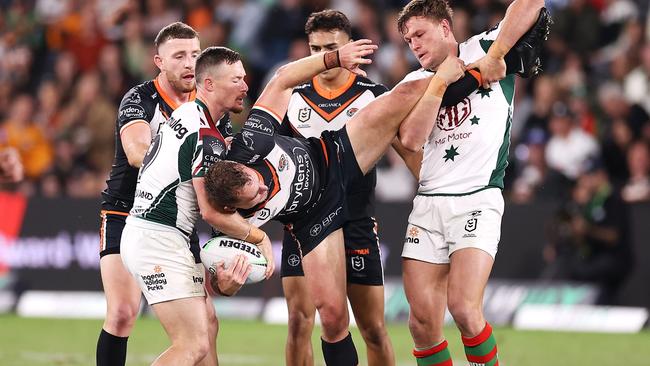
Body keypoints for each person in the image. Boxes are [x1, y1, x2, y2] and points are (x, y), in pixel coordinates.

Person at [204, 38, 477, 364]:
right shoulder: (233, 224)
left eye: (258, 184)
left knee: (402, 95)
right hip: (311, 220)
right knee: (332, 318)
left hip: (333, 157)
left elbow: (283, 79)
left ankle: (478, 69)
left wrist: (333, 58)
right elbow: (220, 286)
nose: (263, 192)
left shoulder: (251, 141)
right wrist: (228, 284)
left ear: (243, 165)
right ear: (233, 208)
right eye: (255, 199)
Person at [395, 0, 545, 365]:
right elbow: (410, 140)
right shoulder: (413, 82)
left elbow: (532, 3)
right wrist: (442, 82)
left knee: (463, 307)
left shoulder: (484, 47)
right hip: (429, 203)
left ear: (445, 28)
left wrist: (495, 55)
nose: (413, 44)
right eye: (407, 39)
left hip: (478, 197)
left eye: (420, 33)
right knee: (421, 323)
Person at [119, 46, 268, 366]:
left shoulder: (187, 114)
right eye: (236, 79)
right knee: (192, 344)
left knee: (208, 325)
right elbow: (210, 211)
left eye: (244, 79)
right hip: (157, 239)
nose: (245, 86)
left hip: (157, 236)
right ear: (210, 84)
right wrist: (260, 238)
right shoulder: (206, 135)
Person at [97, 22, 228, 366]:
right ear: (158, 61)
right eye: (179, 56)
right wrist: (188, 150)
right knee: (124, 312)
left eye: (196, 55)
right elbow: (137, 151)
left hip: (177, 223)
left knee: (208, 323)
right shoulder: (140, 98)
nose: (189, 63)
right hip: (125, 213)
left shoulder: (211, 109)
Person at [276, 10, 394, 366]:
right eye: (315, 48)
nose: (323, 56)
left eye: (332, 47)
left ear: (350, 47)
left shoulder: (374, 95)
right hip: (304, 222)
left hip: (356, 218)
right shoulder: (291, 97)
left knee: (372, 328)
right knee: (299, 321)